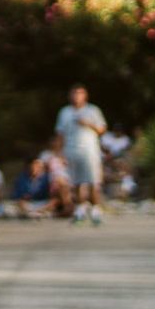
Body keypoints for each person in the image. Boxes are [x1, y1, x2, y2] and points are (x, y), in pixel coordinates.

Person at [55, 85, 107, 225]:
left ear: (85, 96)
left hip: (89, 151)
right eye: (74, 93)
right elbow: (60, 134)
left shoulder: (92, 110)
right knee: (76, 182)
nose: (77, 96)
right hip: (71, 150)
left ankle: (96, 210)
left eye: (80, 93)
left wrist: (88, 124)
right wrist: (59, 154)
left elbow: (102, 129)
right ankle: (80, 210)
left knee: (92, 181)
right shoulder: (65, 112)